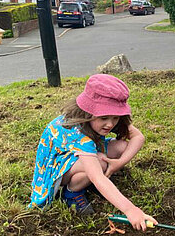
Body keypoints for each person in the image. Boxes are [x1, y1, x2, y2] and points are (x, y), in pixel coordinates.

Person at [29, 74, 157, 231]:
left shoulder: (102, 121)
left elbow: (138, 137)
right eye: (104, 117)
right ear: (87, 112)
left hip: (83, 155)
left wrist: (119, 163)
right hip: (56, 168)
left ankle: (93, 178)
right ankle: (72, 193)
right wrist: (131, 210)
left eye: (115, 118)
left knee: (122, 148)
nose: (110, 124)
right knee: (99, 164)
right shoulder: (77, 132)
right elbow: (97, 177)